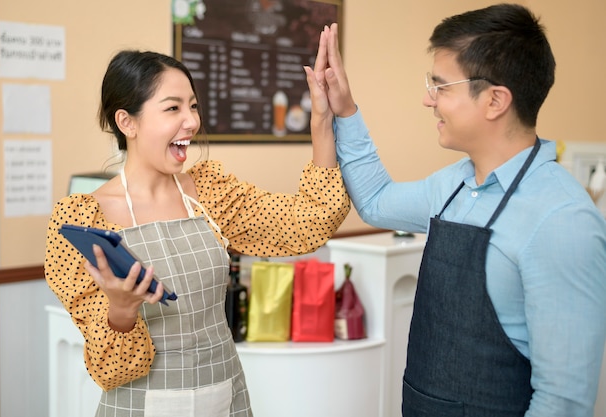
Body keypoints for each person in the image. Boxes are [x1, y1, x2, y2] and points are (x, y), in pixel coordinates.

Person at [305, 4, 606, 417]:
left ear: (495, 100)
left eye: (441, 86)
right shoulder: (452, 184)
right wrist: (344, 111)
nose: (429, 100)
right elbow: (376, 202)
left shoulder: (563, 220)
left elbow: (563, 401)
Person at [44, 48, 350, 417]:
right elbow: (113, 371)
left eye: (193, 106)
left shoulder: (211, 194)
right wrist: (122, 311)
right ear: (128, 122)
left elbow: (313, 219)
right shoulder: (83, 219)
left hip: (225, 400)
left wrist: (321, 119)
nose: (191, 122)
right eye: (173, 108)